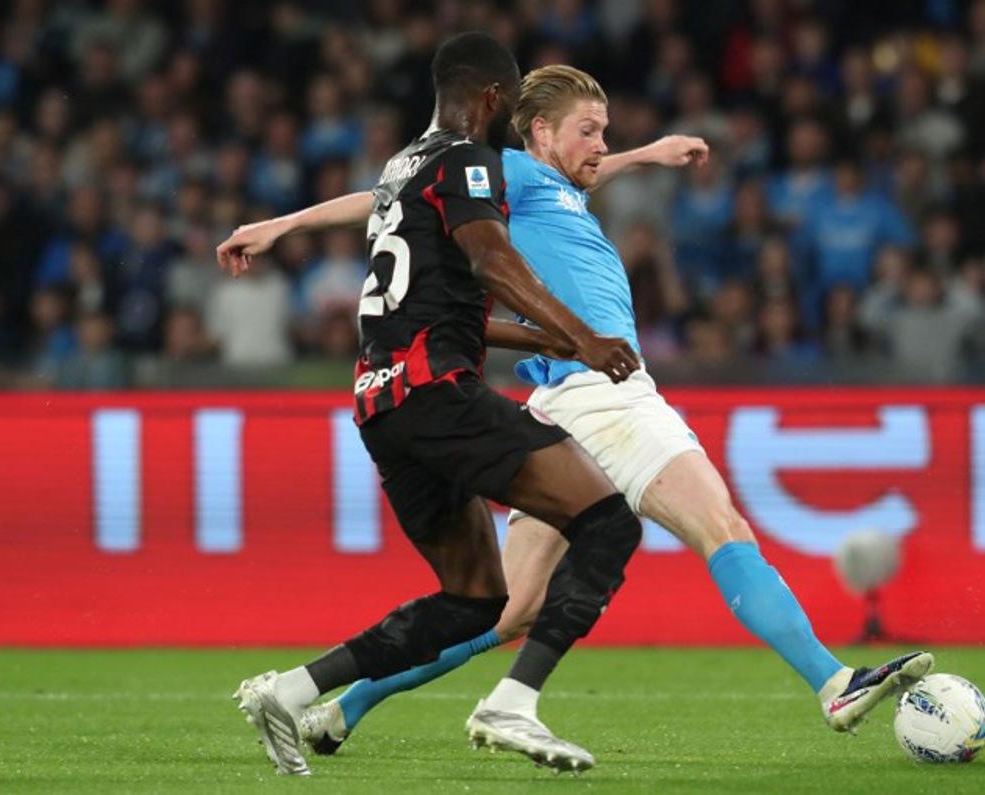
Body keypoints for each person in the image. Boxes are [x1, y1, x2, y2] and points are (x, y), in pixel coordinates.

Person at [301, 65, 933, 771]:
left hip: (559, 407)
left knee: (504, 611)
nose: (602, 144)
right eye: (588, 130)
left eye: (605, 131)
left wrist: (647, 153)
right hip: (605, 397)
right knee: (719, 525)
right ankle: (835, 681)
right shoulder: (503, 173)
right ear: (538, 132)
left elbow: (580, 175)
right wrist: (283, 224)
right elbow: (392, 197)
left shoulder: (554, 189)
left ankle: (339, 706)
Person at [215, 33, 644, 777]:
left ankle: (290, 689)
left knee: (476, 600)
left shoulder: (400, 171)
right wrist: (583, 332)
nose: (509, 121)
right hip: (440, 395)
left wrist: (553, 342)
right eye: (509, 107)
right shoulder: (467, 161)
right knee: (608, 521)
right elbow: (490, 259)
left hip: (384, 407)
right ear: (492, 98)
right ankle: (514, 703)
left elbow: (446, 306)